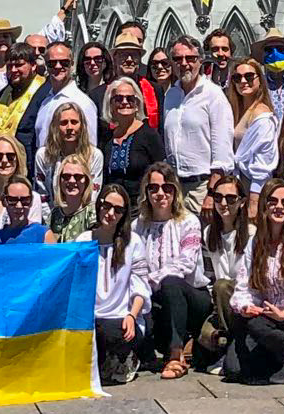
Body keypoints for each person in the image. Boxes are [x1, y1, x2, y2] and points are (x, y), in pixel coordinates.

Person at [229, 177, 284, 385]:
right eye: (273, 201)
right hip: (266, 318)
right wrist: (246, 306)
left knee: (257, 327)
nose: (279, 207)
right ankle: (276, 360)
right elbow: (244, 286)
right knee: (233, 369)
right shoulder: (256, 242)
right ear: (264, 205)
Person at [137, 159, 206, 378]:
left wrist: (151, 279)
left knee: (171, 281)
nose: (160, 194)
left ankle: (177, 356)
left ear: (175, 191)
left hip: (191, 296)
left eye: (167, 188)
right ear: (146, 192)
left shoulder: (189, 221)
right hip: (154, 297)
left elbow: (186, 263)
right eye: (153, 188)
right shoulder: (138, 225)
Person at [89, 181, 149, 384]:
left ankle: (126, 358)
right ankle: (109, 361)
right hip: (92, 317)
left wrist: (132, 315)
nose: (110, 213)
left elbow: (140, 286)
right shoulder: (84, 240)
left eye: (118, 210)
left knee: (112, 333)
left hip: (121, 317)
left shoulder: (133, 242)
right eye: (106, 206)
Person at [164, 39, 233, 214]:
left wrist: (212, 192)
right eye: (178, 59)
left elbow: (222, 148)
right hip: (174, 187)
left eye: (190, 58)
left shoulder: (213, 95)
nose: (184, 64)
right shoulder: (170, 95)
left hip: (202, 188)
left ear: (200, 60)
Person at [194, 170, 249, 374]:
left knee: (223, 285)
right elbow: (208, 275)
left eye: (231, 198)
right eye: (218, 198)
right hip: (219, 302)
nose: (223, 203)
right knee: (204, 340)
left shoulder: (252, 234)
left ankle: (230, 346)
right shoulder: (209, 233)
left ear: (242, 202)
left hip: (243, 299)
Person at [98, 77, 165, 203]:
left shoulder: (149, 135)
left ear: (137, 104)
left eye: (130, 99)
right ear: (110, 105)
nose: (125, 102)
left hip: (142, 207)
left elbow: (162, 173)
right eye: (118, 99)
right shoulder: (106, 139)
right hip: (114, 208)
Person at [33, 41, 99, 164]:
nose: (58, 66)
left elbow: (90, 150)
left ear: (72, 64)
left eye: (64, 62)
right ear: (46, 65)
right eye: (52, 63)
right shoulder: (45, 101)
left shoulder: (83, 103)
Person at [229, 57, 280, 192]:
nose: (243, 81)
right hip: (236, 183)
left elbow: (263, 160)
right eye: (237, 78)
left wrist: (255, 194)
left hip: (253, 184)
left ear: (260, 80)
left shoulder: (262, 115)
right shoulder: (236, 110)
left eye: (249, 76)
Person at [38, 99, 98, 204]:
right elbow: (43, 195)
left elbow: (93, 196)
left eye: (74, 122)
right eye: (63, 123)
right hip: (52, 212)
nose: (69, 127)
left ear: (82, 125)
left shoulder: (95, 155)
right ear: (55, 127)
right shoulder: (43, 155)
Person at [108, 25, 160, 129]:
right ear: (115, 57)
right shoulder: (100, 94)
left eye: (134, 55)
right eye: (124, 54)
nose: (129, 59)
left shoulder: (155, 90)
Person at [46, 161, 96, 242]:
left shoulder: (93, 212)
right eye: (66, 176)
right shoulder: (53, 214)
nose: (72, 181)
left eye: (78, 177)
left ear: (86, 181)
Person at [0, 176, 47, 245]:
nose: (19, 206)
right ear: (4, 202)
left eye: (25, 200)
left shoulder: (43, 234)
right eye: (12, 200)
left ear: (31, 202)